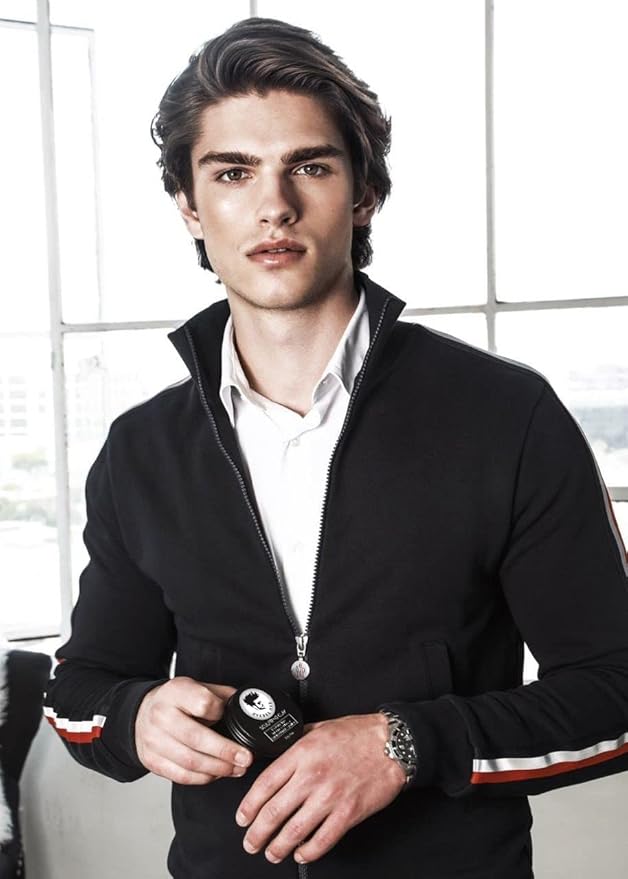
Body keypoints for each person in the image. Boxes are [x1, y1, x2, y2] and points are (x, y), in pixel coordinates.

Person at [44, 16, 628, 879]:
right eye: (233, 172)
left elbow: (615, 691)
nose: (273, 205)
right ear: (189, 207)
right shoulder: (141, 451)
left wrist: (405, 743)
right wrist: (136, 716)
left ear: (363, 195)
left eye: (310, 166)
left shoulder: (508, 417)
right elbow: (80, 689)